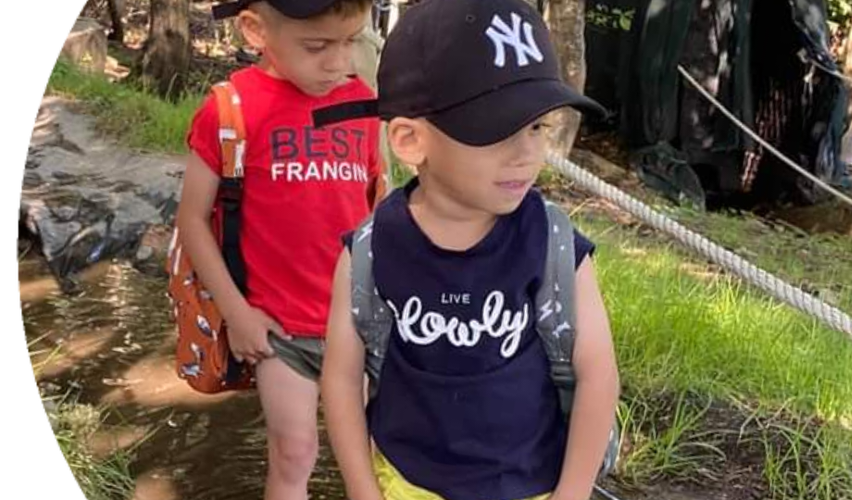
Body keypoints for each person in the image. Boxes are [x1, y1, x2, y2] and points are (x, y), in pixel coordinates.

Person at [319, 1, 621, 499]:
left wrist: (571, 494)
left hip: (532, 486)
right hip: (406, 486)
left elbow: (598, 375)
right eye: (499, 129)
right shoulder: (371, 252)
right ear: (411, 140)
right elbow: (342, 379)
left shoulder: (552, 245)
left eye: (536, 127)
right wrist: (363, 489)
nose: (527, 153)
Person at [175, 1, 384, 499]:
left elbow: (377, 208)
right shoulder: (231, 109)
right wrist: (237, 313)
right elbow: (192, 219)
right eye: (316, 47)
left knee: (368, 452)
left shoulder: (363, 105)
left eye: (350, 41)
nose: (337, 62)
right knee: (294, 452)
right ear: (255, 30)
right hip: (279, 328)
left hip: (353, 325)